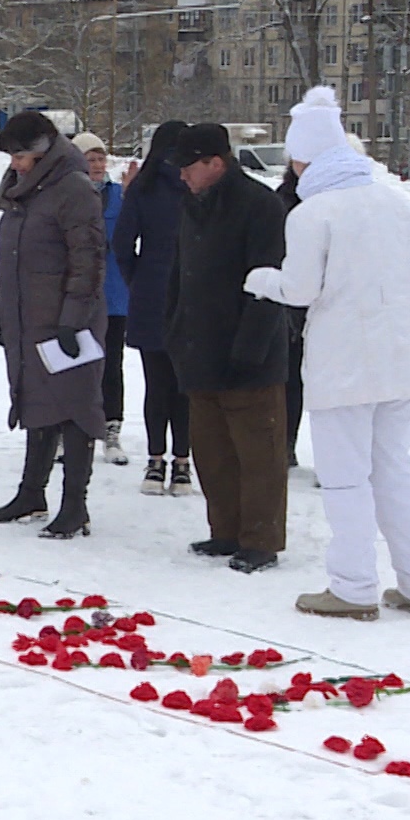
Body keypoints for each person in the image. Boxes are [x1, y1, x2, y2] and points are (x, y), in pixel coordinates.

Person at [245, 87, 410, 620]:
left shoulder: (313, 213)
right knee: (395, 471)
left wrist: (261, 279)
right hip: (403, 361)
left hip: (344, 367)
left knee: (346, 478)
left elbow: (302, 289)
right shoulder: (398, 207)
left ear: (303, 158)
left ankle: (353, 588)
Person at [166, 121, 290, 573]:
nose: (181, 174)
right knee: (213, 452)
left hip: (248, 355)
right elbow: (179, 273)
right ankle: (226, 530)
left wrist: (250, 348)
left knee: (258, 453)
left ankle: (260, 539)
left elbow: (269, 282)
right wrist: (174, 327)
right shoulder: (192, 205)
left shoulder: (260, 205)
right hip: (198, 346)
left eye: (188, 166)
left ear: (215, 163)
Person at [0, 111, 108, 540]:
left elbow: (88, 259)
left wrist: (73, 321)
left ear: (42, 151)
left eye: (20, 155)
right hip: (27, 315)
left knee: (74, 409)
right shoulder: (24, 188)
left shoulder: (73, 189)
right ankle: (31, 493)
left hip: (66, 319)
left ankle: (75, 505)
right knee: (35, 401)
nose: (14, 164)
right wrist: (0, 306)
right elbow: (12, 258)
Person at [114, 120, 193, 496]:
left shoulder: (143, 187)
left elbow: (122, 244)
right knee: (184, 385)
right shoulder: (196, 187)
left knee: (155, 383)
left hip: (150, 293)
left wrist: (139, 279)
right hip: (192, 294)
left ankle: (155, 460)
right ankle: (182, 463)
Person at [71, 131, 131, 466]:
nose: (96, 165)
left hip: (114, 294)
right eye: (90, 159)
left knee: (111, 363)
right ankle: (74, 428)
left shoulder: (120, 196)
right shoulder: (68, 195)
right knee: (76, 363)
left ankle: (111, 429)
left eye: (100, 158)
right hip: (77, 296)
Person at [276, 165, 309, 474]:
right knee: (291, 380)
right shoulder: (284, 200)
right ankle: (286, 442)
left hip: (339, 305)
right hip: (294, 304)